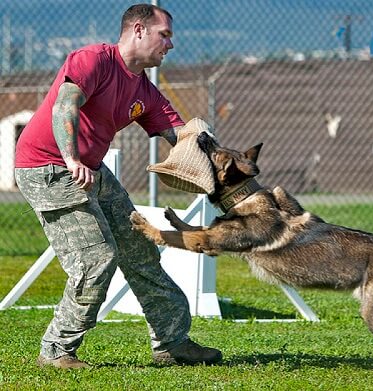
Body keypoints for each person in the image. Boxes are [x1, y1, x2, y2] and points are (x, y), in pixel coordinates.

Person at [14, 3, 222, 369]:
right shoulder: (93, 60)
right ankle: (56, 350)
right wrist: (73, 159)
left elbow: (181, 136)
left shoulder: (144, 90)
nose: (170, 45)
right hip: (47, 165)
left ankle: (172, 343)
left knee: (141, 248)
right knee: (96, 259)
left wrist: (216, 156)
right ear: (139, 30)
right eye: (165, 35)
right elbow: (65, 106)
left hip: (89, 167)